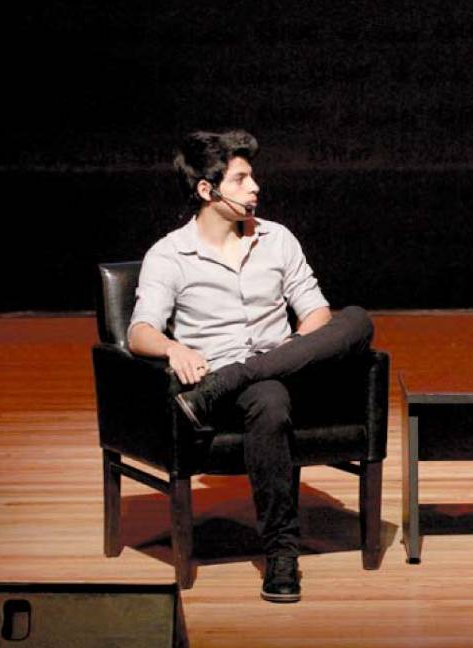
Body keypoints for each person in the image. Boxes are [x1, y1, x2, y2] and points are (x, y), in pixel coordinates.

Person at [127, 130, 374, 604]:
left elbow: (317, 313)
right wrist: (173, 349)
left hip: (282, 366)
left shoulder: (277, 239)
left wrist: (293, 348)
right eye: (240, 179)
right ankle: (281, 552)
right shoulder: (170, 254)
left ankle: (230, 381)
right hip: (234, 384)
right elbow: (140, 332)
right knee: (269, 398)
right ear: (207, 190)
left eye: (252, 176)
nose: (255, 187)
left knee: (358, 320)